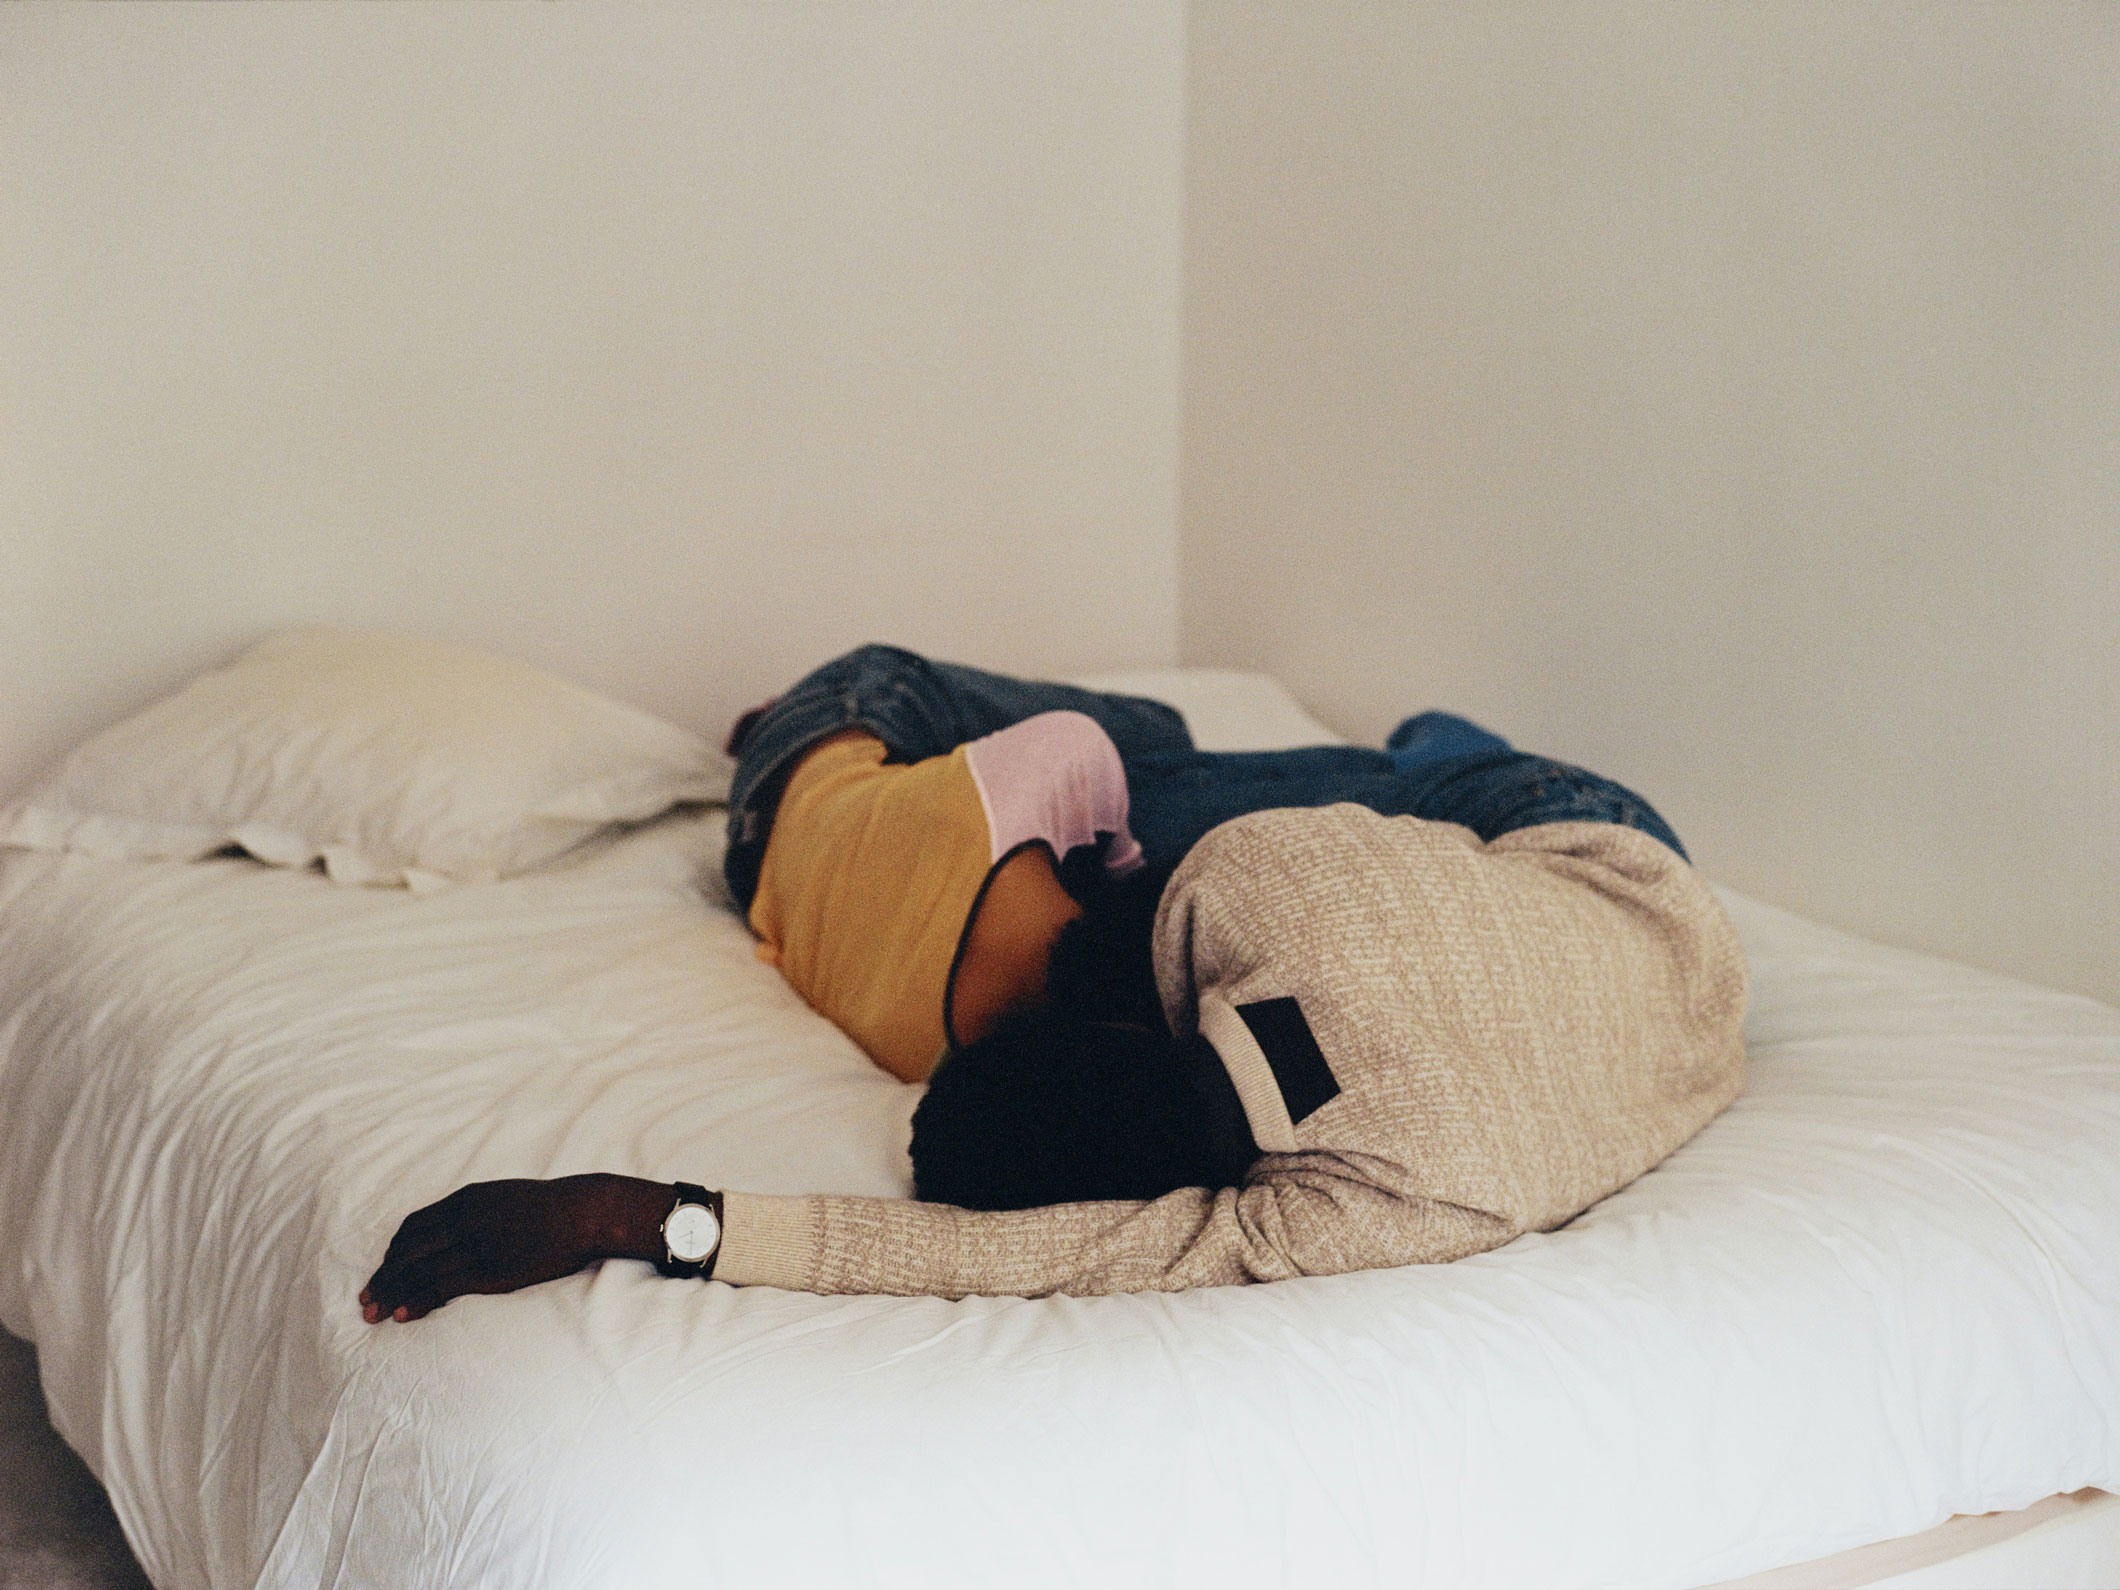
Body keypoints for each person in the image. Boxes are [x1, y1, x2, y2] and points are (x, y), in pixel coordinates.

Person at [360, 648, 1745, 1318]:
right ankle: (1421, 740)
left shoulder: (1352, 1208)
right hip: (1608, 857)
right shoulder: (1258, 890)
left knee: (1389, 776)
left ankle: (1423, 741)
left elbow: (1003, 1255)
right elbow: (1003, 1248)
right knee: (1186, 770)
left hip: (1611, 891)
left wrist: (639, 1216)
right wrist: (619, 1211)